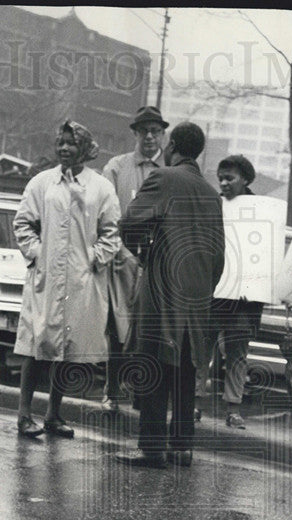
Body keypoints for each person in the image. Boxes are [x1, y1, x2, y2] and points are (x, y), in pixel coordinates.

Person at [115, 122, 225, 468]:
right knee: (186, 368)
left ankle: (151, 448)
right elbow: (219, 254)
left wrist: (145, 254)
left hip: (163, 284)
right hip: (198, 292)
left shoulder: (163, 178)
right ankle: (182, 447)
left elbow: (129, 223)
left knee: (153, 361)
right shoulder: (211, 193)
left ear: (173, 145)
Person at [12, 120, 120, 439]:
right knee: (35, 344)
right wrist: (36, 253)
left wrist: (93, 260)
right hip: (45, 279)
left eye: (71, 143)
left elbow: (111, 232)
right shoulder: (42, 183)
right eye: (60, 142)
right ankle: (22, 414)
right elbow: (22, 223)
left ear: (84, 148)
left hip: (79, 281)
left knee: (66, 350)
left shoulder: (100, 187)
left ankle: (53, 414)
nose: (64, 148)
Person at [100, 106, 168, 412]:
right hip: (122, 257)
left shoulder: (169, 168)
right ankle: (111, 391)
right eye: (144, 131)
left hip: (157, 261)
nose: (150, 137)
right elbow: (106, 214)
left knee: (150, 329)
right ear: (135, 134)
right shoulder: (117, 167)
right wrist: (119, 251)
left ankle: (143, 396)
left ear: (163, 134)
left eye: (156, 131)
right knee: (118, 326)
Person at [194, 154, 263, 428]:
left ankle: (233, 409)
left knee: (237, 354)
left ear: (245, 179)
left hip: (244, 297)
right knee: (202, 350)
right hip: (213, 292)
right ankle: (195, 405)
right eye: (221, 178)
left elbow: (263, 252)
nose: (223, 183)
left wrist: (254, 286)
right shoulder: (213, 205)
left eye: (230, 178)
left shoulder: (261, 210)